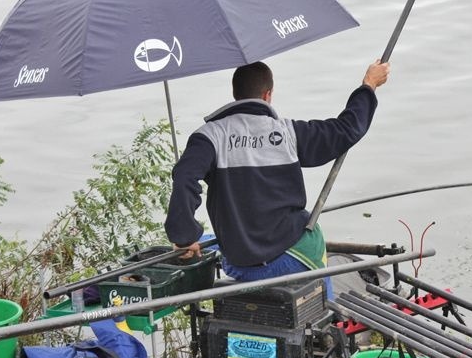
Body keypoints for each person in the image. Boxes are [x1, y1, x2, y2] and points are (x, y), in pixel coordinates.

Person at [164, 59, 390, 297]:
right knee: (314, 240)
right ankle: (328, 316)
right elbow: (346, 129)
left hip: (241, 264)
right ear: (268, 94)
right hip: (291, 259)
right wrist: (369, 85)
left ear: (235, 93)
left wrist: (184, 236)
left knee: (212, 239)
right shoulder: (287, 132)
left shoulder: (208, 136)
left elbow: (184, 177)